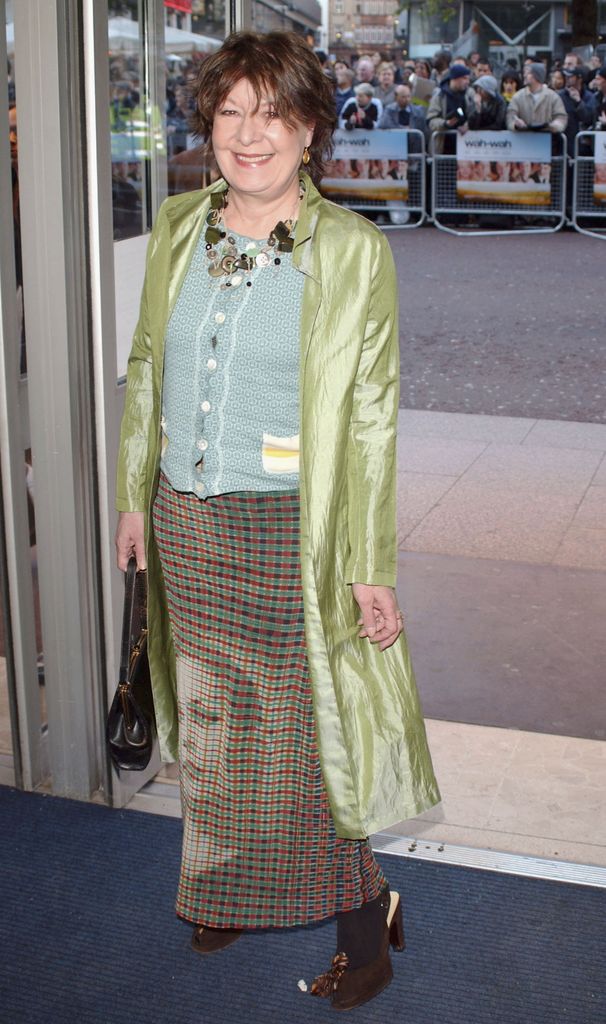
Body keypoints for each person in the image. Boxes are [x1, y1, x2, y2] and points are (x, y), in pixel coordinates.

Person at [114, 29, 439, 1013]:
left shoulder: (352, 252)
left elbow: (374, 414)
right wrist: (133, 496)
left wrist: (370, 564)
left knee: (306, 748)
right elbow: (145, 374)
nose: (248, 134)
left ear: (310, 132)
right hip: (187, 526)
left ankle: (369, 924)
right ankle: (227, 888)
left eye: (272, 114)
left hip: (293, 536)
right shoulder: (177, 225)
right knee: (211, 734)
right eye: (230, 112)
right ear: (207, 124)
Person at [506, 62, 567, 134]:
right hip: (524, 141)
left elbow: (561, 117)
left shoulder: (553, 97)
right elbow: (510, 116)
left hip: (547, 141)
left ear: (536, 76)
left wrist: (554, 126)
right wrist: (515, 124)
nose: (524, 75)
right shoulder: (518, 97)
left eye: (528, 73)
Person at [426, 63, 475, 153]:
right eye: (464, 78)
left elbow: (474, 115)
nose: (468, 82)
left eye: (468, 78)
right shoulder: (439, 96)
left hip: (466, 148)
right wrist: (445, 123)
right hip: (443, 147)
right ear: (455, 78)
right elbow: (431, 121)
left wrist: (467, 125)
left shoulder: (469, 94)